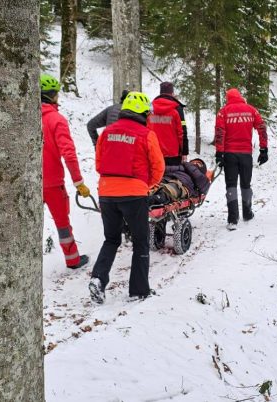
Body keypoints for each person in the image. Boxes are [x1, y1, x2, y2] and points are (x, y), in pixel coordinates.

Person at [89, 92, 165, 304]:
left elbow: (98, 164)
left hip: (106, 192)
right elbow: (158, 167)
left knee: (111, 239)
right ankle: (139, 290)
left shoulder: (106, 133)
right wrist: (146, 185)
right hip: (134, 194)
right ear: (142, 113)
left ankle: (98, 278)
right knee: (140, 242)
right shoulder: (146, 134)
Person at [40, 73, 91, 268]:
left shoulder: (24, 118)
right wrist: (79, 182)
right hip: (52, 183)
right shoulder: (56, 119)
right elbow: (68, 153)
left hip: (30, 182)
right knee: (62, 224)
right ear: (53, 96)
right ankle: (72, 260)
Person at [214, 88, 268, 231]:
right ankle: (247, 213)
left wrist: (219, 153)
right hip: (246, 154)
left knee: (231, 185)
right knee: (246, 184)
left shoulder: (223, 112)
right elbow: (262, 128)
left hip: (230, 154)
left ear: (228, 98)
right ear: (240, 97)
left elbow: (220, 133)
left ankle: (233, 219)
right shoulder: (251, 110)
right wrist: (264, 149)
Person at [149, 82, 187, 165]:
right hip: (173, 155)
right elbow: (182, 132)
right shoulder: (177, 108)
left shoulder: (150, 108)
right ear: (172, 93)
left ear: (160, 93)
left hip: (153, 152)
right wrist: (184, 152)